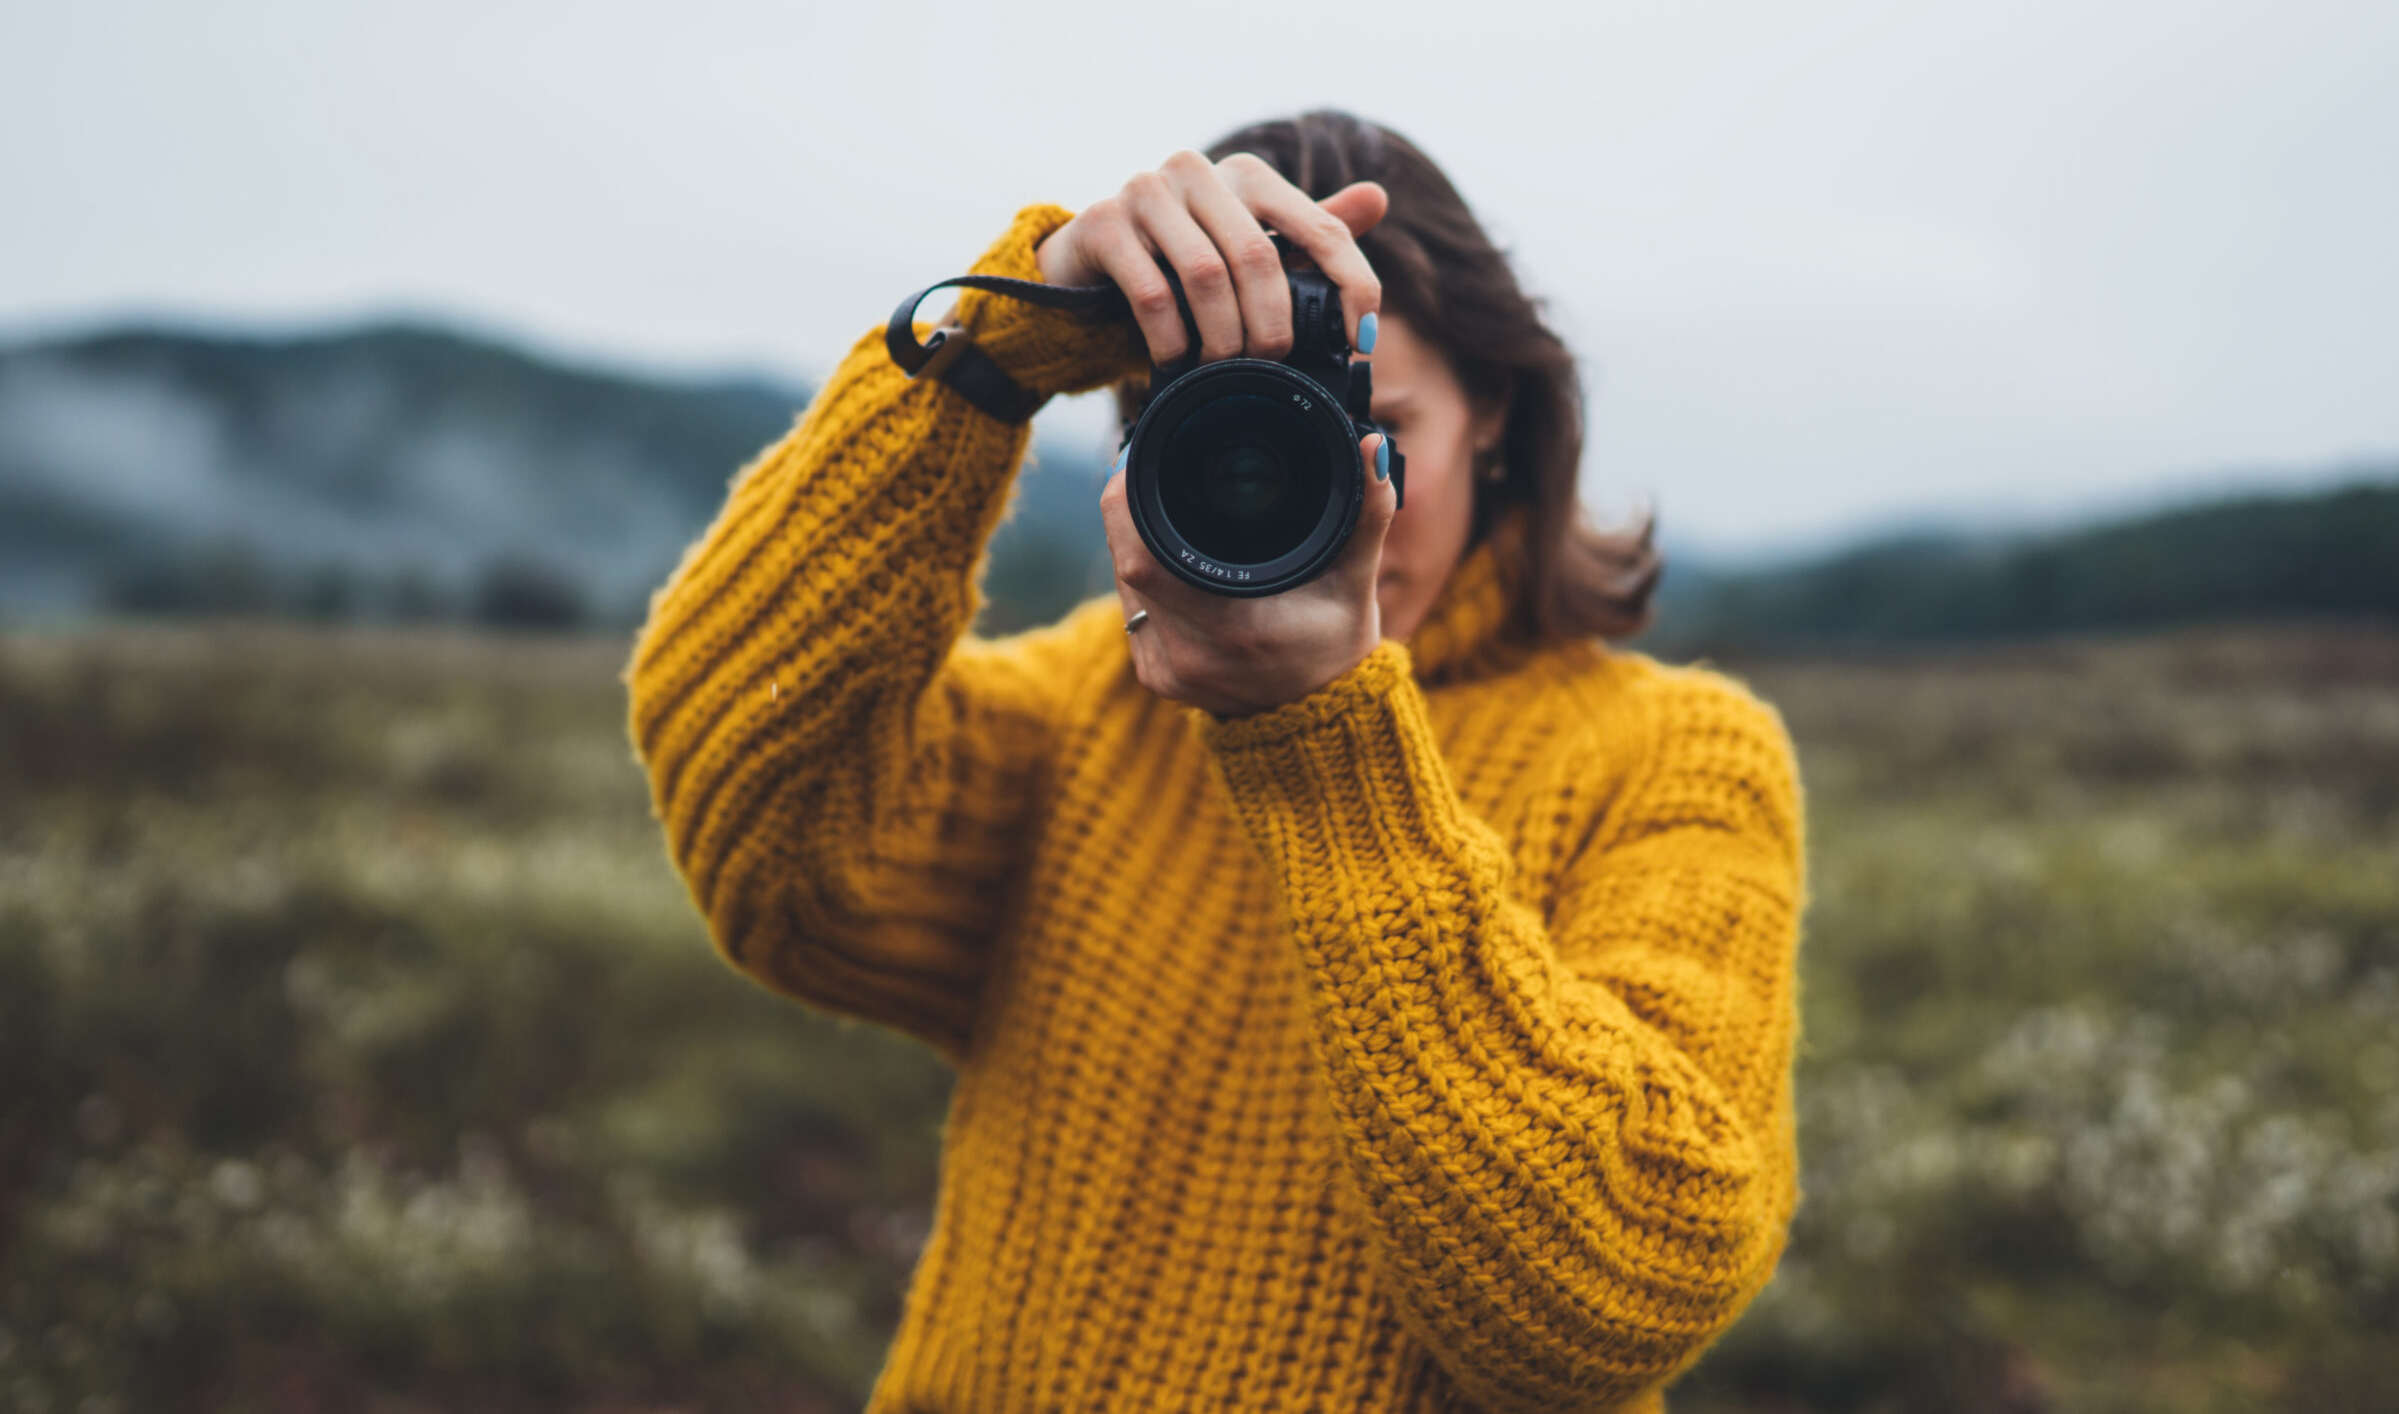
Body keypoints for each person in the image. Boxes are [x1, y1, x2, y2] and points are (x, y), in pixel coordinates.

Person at [626, 110, 1806, 1413]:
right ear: (1151, 449)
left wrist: (1327, 745)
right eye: (1253, 439)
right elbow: (767, 845)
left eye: (1379, 426)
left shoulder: (1674, 759)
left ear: (1496, 412)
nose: (1348, 493)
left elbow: (1613, 1295)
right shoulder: (1086, 706)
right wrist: (991, 355)